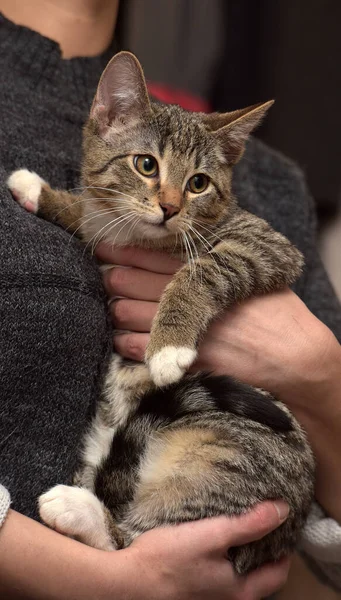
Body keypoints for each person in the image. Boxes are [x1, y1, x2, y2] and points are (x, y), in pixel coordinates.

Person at [0, 0, 340, 598]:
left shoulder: (273, 181)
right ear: (107, 116)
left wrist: (322, 373)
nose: (171, 203)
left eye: (197, 184)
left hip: (209, 479)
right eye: (151, 169)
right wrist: (94, 581)